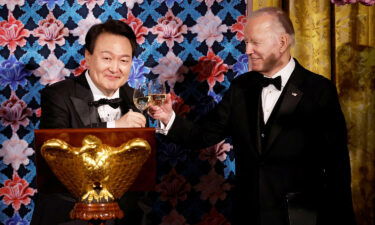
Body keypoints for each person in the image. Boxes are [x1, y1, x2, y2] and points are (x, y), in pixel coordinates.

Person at [148, 7, 356, 225]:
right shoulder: (241, 88)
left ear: (282, 43)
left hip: (300, 217)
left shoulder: (318, 90)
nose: (247, 50)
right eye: (246, 42)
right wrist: (168, 118)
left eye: (255, 42)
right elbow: (202, 134)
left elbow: (336, 164)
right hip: (249, 214)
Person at [32, 19, 146, 225]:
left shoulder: (137, 99)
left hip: (125, 216)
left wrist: (165, 120)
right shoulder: (58, 94)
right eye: (107, 58)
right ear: (88, 57)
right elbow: (54, 151)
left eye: (124, 60)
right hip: (67, 214)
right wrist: (114, 128)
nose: (115, 68)